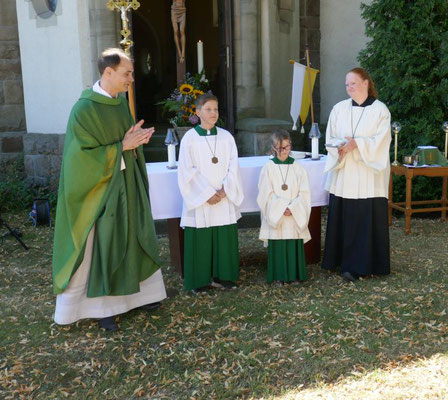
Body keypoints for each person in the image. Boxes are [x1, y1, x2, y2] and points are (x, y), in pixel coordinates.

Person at [52, 48, 167, 332]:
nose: (131, 79)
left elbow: (124, 140)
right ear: (108, 72)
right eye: (127, 73)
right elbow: (79, 158)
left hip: (124, 184)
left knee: (131, 235)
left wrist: (135, 141)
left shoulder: (118, 104)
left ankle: (142, 296)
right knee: (101, 244)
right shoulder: (84, 109)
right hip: (98, 191)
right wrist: (122, 148)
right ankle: (100, 308)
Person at [322, 67, 392, 282]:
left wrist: (357, 144)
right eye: (346, 84)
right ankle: (340, 261)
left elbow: (381, 142)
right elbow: (330, 136)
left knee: (364, 218)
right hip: (346, 172)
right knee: (346, 217)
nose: (349, 87)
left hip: (368, 175)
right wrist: (339, 147)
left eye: (353, 83)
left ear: (365, 83)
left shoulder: (380, 110)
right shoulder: (339, 109)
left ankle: (366, 264)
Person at [177, 93, 244, 292]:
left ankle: (224, 277)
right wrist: (207, 194)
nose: (213, 113)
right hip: (201, 198)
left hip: (223, 195)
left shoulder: (226, 137)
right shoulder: (189, 138)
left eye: (215, 109)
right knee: (201, 237)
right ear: (197, 112)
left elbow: (234, 166)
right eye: (208, 109)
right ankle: (199, 281)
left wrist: (224, 190)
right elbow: (187, 170)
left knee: (224, 236)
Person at [257, 130, 311, 285]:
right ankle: (278, 276)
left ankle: (295, 275)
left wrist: (293, 208)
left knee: (293, 241)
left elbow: (305, 192)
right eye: (280, 148)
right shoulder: (268, 168)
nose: (284, 151)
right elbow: (265, 193)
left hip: (294, 213)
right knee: (279, 242)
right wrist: (281, 208)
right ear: (273, 148)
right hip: (277, 215)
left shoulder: (298, 168)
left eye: (287, 147)